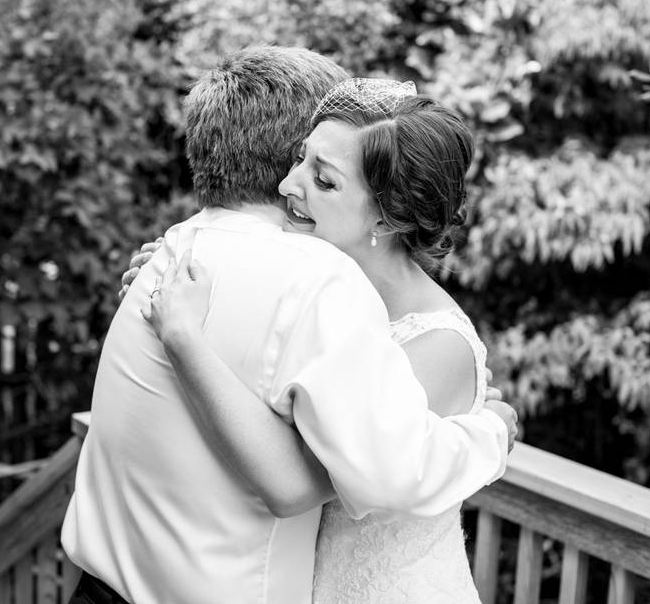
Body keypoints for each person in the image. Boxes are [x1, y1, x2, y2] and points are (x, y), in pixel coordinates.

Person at [61, 47, 517, 604]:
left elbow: (339, 478)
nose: (286, 186)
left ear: (387, 215)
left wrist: (489, 434)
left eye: (323, 180)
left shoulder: (425, 337)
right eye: (298, 159)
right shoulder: (301, 288)